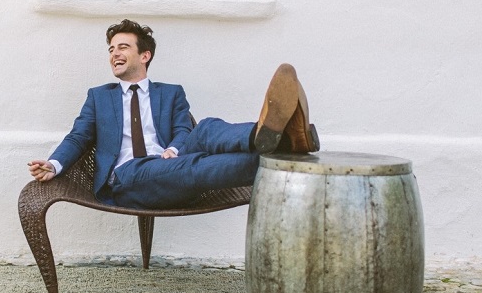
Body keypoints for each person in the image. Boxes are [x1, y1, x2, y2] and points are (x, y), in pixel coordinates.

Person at [28, 19, 319, 209]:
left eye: (123, 47)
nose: (114, 53)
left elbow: (185, 131)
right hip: (128, 178)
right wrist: (54, 164)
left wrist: (174, 147)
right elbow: (78, 137)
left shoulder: (171, 93)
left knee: (204, 128)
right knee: (194, 167)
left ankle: (263, 135)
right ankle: (288, 145)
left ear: (145, 56)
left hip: (173, 161)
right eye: (111, 49)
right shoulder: (99, 97)